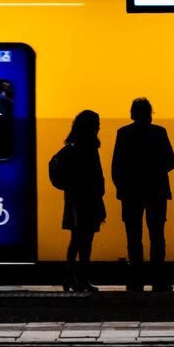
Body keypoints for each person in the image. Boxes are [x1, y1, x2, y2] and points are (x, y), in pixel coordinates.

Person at [110, 97, 174, 292]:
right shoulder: (159, 133)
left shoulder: (123, 134)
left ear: (132, 113)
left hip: (131, 192)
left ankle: (136, 280)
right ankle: (158, 279)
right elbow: (172, 161)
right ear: (150, 113)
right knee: (157, 236)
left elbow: (117, 165)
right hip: (156, 190)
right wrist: (155, 169)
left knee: (133, 237)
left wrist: (122, 187)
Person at [56, 110, 107, 292]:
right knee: (85, 240)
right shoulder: (87, 147)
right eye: (97, 123)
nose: (99, 126)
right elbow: (94, 173)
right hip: (87, 198)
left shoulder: (74, 145)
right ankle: (80, 277)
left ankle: (70, 277)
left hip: (75, 197)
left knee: (76, 239)